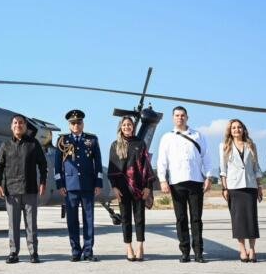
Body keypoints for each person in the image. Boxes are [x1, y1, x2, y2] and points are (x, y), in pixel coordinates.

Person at [157, 106, 212, 263]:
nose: (180, 118)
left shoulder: (198, 135)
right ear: (173, 118)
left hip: (196, 181)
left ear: (187, 117)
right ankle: (185, 252)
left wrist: (208, 177)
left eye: (182, 115)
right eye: (177, 115)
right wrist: (162, 180)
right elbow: (162, 160)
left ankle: (198, 252)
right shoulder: (167, 137)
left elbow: (206, 157)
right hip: (177, 182)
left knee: (196, 219)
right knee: (181, 218)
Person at [0, 114, 48, 264]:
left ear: (25, 126)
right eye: (15, 123)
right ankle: (13, 252)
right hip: (11, 191)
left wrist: (42, 182)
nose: (18, 125)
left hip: (30, 189)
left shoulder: (33, 143)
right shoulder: (5, 145)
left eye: (21, 123)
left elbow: (43, 164)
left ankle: (33, 252)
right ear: (11, 126)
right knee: (13, 224)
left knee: (31, 224)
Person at [54, 109, 103, 262]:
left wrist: (98, 183)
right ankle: (75, 251)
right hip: (70, 186)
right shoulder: (62, 141)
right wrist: (60, 184)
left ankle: (88, 251)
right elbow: (57, 166)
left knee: (88, 219)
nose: (76, 125)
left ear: (83, 124)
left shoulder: (92, 140)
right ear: (69, 125)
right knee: (72, 221)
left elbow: (98, 163)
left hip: (88, 185)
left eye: (79, 122)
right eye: (73, 123)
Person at [107, 116, 155, 262]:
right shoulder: (115, 145)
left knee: (140, 218)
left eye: (129, 124)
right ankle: (129, 247)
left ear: (133, 127)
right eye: (124, 125)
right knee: (126, 219)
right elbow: (112, 169)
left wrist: (148, 187)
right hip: (122, 188)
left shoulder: (140, 143)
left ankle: (140, 246)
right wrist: (114, 187)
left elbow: (146, 166)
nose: (127, 127)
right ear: (120, 127)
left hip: (139, 187)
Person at [219, 119, 263, 263]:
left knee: (251, 219)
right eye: (233, 128)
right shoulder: (224, 146)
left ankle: (252, 249)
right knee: (238, 221)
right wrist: (224, 188)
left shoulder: (251, 145)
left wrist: (259, 186)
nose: (236, 130)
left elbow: (256, 167)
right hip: (234, 187)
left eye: (239, 127)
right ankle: (242, 249)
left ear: (243, 129)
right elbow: (223, 169)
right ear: (230, 131)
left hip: (250, 186)